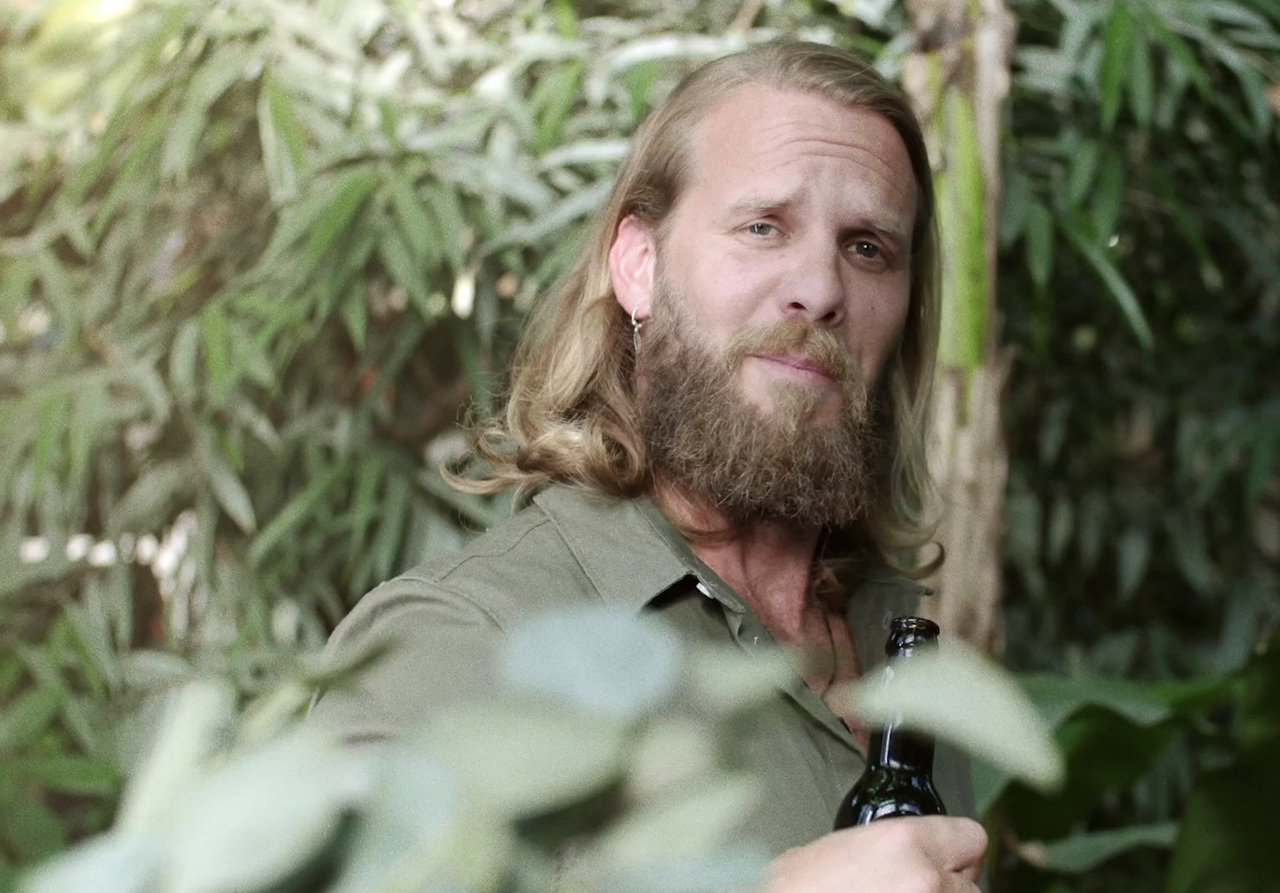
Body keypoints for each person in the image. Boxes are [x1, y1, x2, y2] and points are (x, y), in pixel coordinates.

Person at [309, 38, 988, 892]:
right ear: (639, 263)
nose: (819, 287)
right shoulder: (465, 640)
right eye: (763, 226)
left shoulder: (911, 669)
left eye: (867, 248)